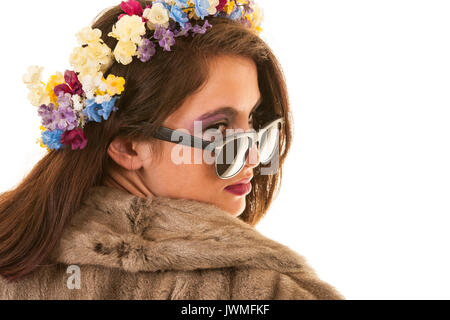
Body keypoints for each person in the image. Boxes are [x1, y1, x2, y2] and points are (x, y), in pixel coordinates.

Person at [0, 0, 345, 299]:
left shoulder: (14, 259)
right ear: (130, 147)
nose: (253, 156)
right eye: (217, 129)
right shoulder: (259, 291)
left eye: (254, 120)